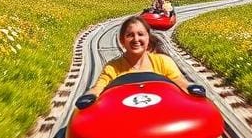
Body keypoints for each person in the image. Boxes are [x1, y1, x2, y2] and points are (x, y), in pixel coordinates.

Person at [74, 16, 205, 109]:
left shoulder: (163, 61)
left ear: (148, 37)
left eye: (140, 34)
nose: (136, 39)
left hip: (161, 111)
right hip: (125, 114)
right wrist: (90, 96)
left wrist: (190, 88)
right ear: (122, 40)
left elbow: (178, 80)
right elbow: (98, 87)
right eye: (130, 35)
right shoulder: (113, 67)